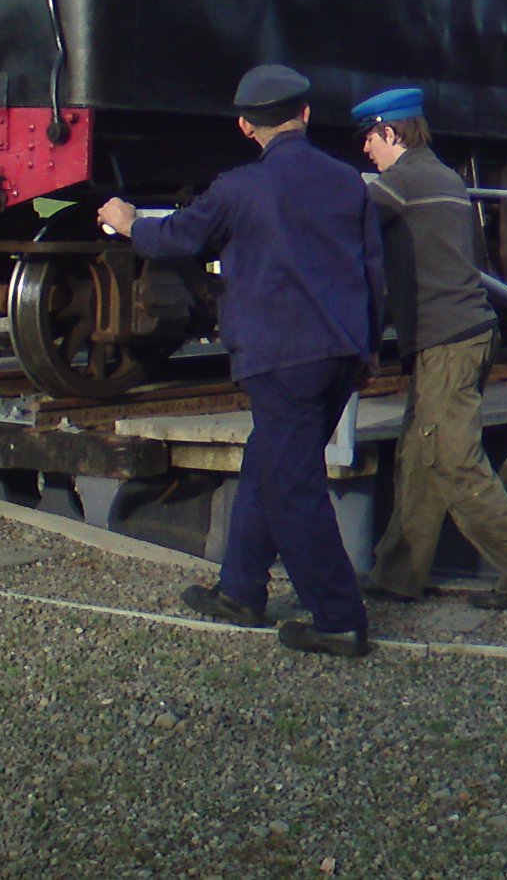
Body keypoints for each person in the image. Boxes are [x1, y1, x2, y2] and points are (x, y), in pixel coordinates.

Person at [97, 65, 383, 658]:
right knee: (269, 463)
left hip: (281, 358)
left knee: (292, 487)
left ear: (245, 126)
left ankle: (337, 618)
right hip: (339, 353)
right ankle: (240, 590)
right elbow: (373, 274)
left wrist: (129, 224)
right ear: (305, 116)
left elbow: (179, 237)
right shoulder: (349, 183)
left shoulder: (238, 188)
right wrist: (369, 349)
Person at [353, 85, 507, 610]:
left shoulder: (403, 182)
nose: (366, 150)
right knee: (421, 457)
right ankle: (398, 576)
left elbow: (348, 218)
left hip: (447, 342)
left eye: (369, 138)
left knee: (454, 461)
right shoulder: (443, 177)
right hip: (459, 336)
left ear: (390, 132)